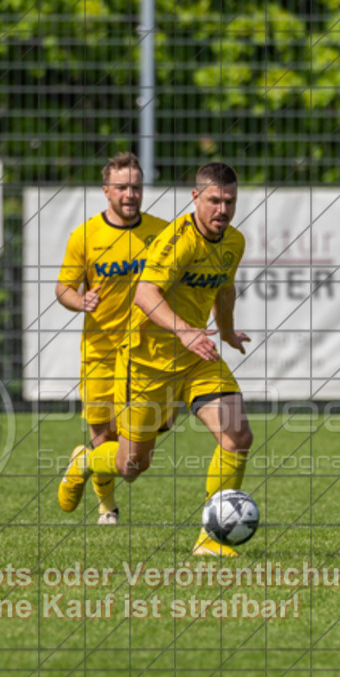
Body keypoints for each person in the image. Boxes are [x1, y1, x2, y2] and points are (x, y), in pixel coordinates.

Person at [58, 162, 254, 557]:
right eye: (214, 200)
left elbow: (224, 289)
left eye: (230, 202)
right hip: (146, 362)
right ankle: (84, 463)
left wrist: (227, 331)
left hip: (196, 358)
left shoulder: (234, 241)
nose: (222, 210)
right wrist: (185, 330)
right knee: (131, 466)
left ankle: (210, 539)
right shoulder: (176, 241)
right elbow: (145, 294)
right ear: (195, 197)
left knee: (237, 434)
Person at [55, 151, 169, 525]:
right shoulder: (85, 236)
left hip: (148, 353)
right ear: (106, 190)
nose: (130, 194)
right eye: (121, 187)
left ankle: (82, 462)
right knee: (105, 438)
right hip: (101, 352)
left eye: (136, 187)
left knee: (137, 461)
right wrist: (81, 301)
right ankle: (107, 507)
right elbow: (63, 288)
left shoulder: (163, 233)